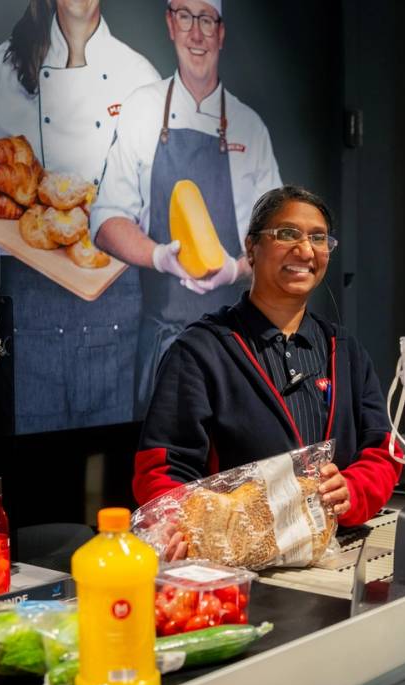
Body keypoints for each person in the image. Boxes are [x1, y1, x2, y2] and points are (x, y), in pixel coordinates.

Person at [133, 186, 401, 557]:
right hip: (235, 567)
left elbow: (381, 450)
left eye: (318, 238)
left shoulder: (345, 350)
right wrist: (171, 525)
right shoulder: (200, 350)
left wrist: (352, 489)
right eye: (287, 234)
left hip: (334, 557)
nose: (305, 251)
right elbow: (162, 467)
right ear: (251, 248)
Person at [91, 0, 282, 421]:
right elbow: (106, 221)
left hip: (239, 345)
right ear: (170, 24)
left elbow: (278, 236)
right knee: (166, 471)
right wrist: (161, 257)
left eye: (207, 20)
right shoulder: (141, 109)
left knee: (236, 470)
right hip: (163, 345)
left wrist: (236, 267)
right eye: (185, 17)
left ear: (221, 32)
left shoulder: (250, 127)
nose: (196, 34)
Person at [0, 0, 160, 433]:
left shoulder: (138, 75)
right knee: (29, 462)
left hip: (112, 299)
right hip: (28, 297)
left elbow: (152, 203)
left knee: (109, 460)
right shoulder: (4, 66)